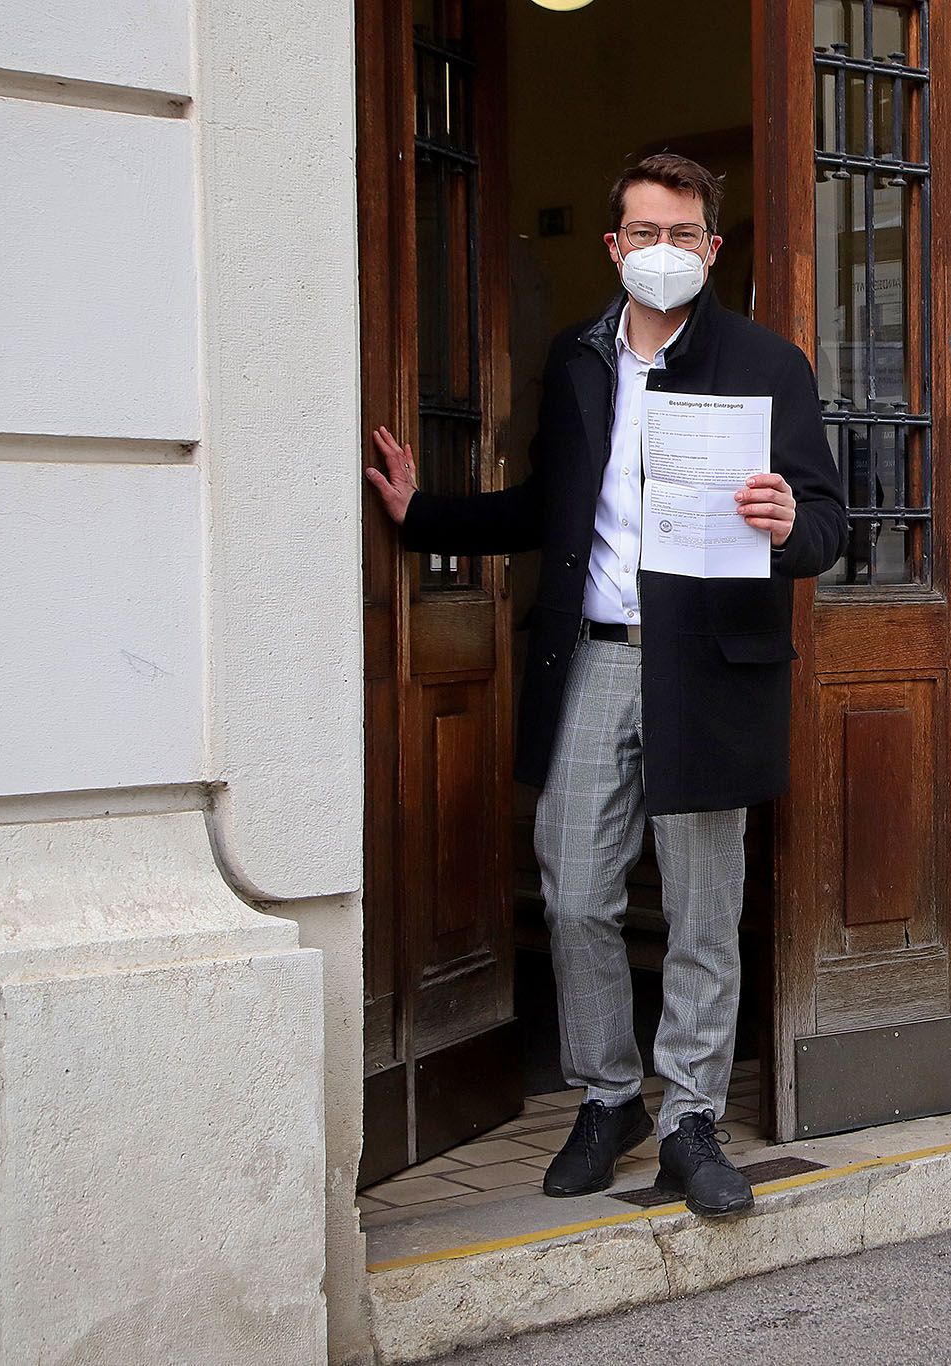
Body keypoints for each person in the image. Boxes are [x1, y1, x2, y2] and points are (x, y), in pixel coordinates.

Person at [365, 153, 845, 1215]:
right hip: (593, 653)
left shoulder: (767, 363)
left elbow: (824, 524)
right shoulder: (579, 361)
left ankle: (690, 1118)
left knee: (702, 907)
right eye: (645, 232)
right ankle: (607, 1094)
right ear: (613, 245)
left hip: (711, 665)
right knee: (573, 889)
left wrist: (782, 527)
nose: (663, 252)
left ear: (711, 250)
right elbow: (552, 503)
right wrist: (427, 515)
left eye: (685, 235)